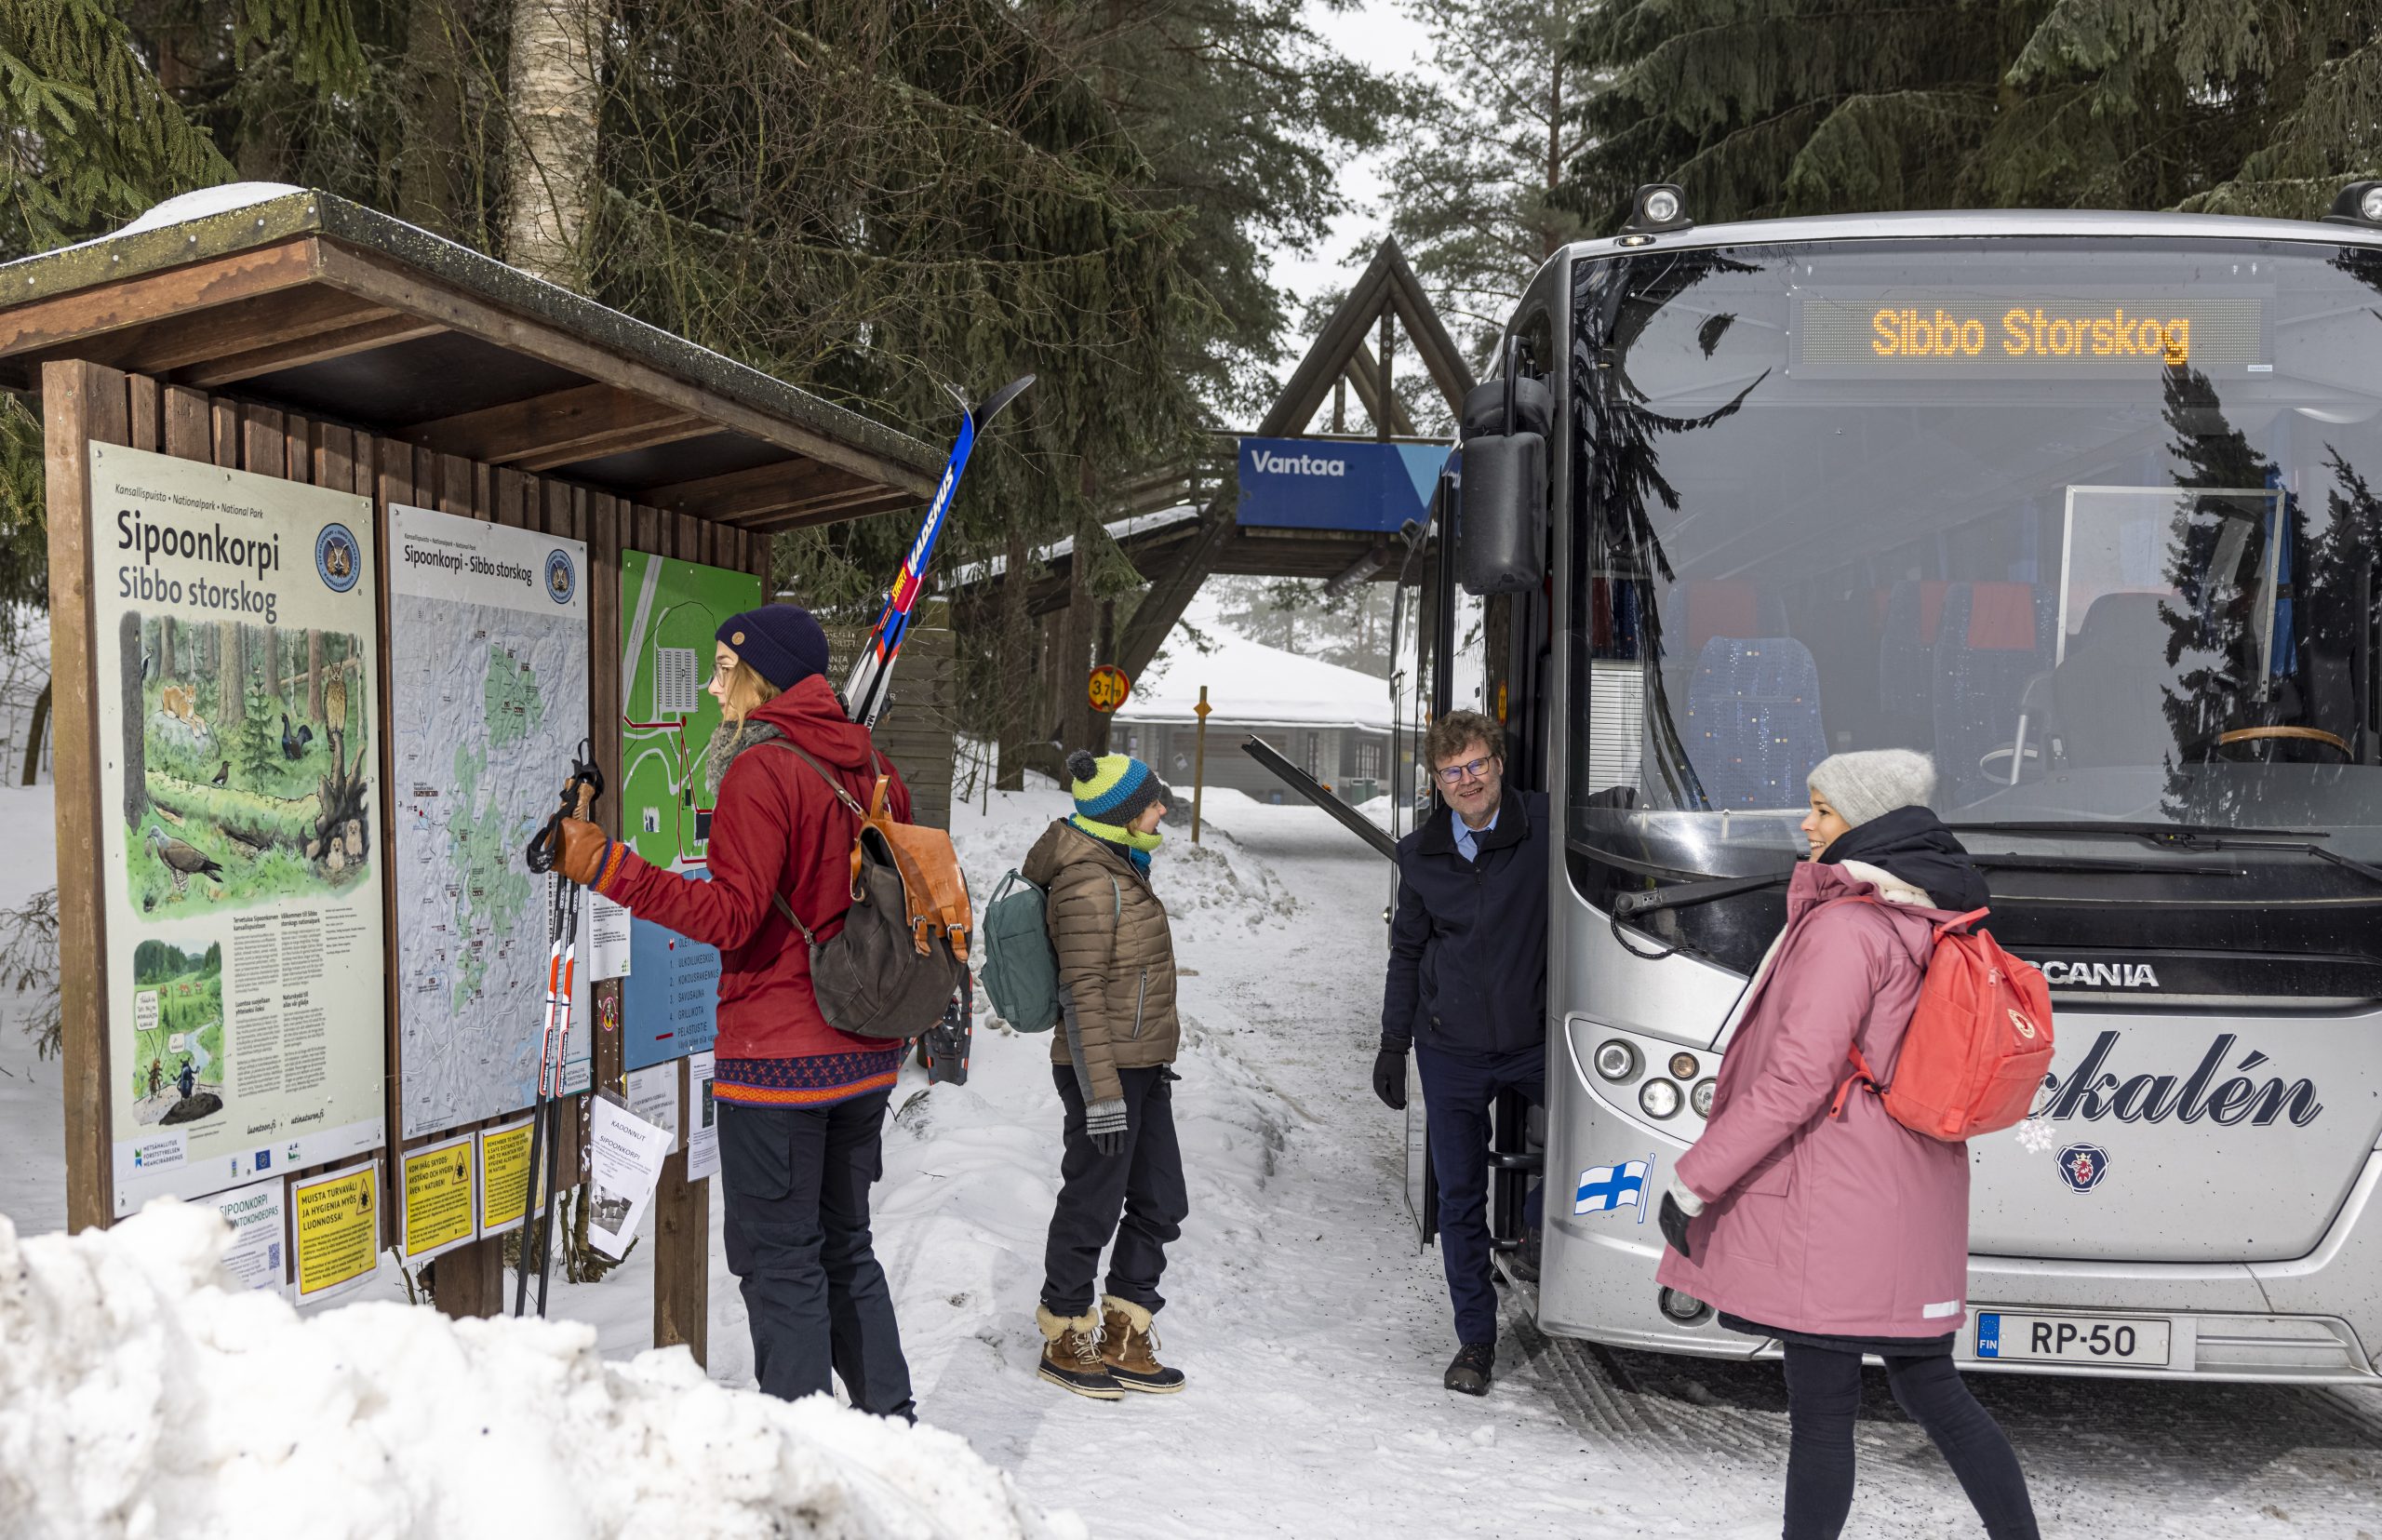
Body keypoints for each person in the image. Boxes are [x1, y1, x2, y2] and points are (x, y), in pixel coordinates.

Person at [1655, 750, 2040, 1540]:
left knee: (1823, 1416)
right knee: (1933, 1390)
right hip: (1912, 1197)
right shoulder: (1930, 916)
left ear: (1866, 821)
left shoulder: (1848, 928)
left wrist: (1696, 1179)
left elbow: (1796, 1078)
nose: (1806, 822)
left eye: (1823, 808)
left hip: (1837, 1206)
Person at [555, 603, 917, 1421]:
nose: (714, 689)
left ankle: (803, 1451)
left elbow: (731, 916)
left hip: (780, 1063)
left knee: (780, 1262)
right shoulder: (873, 765)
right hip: (865, 1051)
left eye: (725, 669)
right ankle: (896, 1433)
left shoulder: (763, 769)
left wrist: (608, 865)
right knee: (845, 1248)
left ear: (766, 676)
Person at [1374, 710, 1548, 1396]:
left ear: (1498, 764)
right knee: (1458, 1197)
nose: (1467, 780)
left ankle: (1535, 1230)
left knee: (1598, 1144)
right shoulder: (1420, 854)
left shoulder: (1544, 828)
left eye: (1477, 764)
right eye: (1452, 771)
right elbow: (1407, 952)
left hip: (1536, 1041)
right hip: (1451, 1047)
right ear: (1437, 782)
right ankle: (1475, 1340)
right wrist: (1394, 1043)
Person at [1022, 748, 1190, 1399]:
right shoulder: (1088, 880)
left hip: (1141, 1064)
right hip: (1102, 1071)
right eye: (1151, 801)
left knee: (1160, 1199)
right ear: (1120, 814)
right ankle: (1066, 1330)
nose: (1162, 808)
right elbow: (1082, 993)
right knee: (1092, 1202)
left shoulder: (1121, 865)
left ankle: (1124, 1330)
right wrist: (1101, 1096)